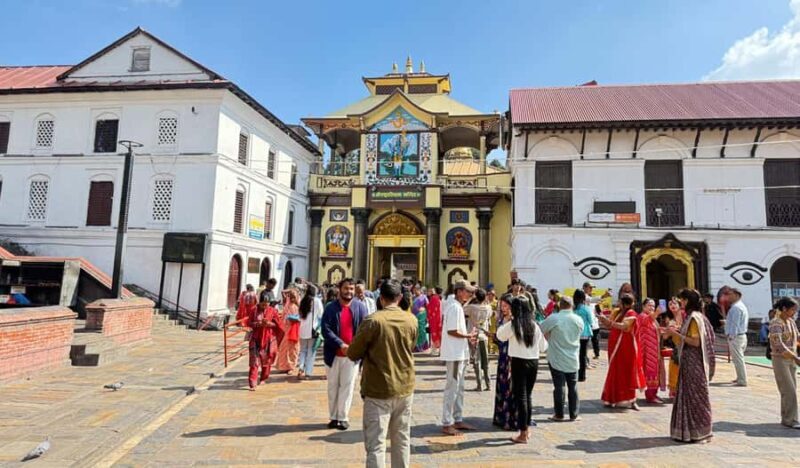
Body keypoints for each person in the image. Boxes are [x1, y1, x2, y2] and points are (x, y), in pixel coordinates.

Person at [347, 279, 418, 468]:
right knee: (402, 439)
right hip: (404, 386)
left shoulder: (373, 321)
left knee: (376, 444)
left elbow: (353, 353)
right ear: (400, 297)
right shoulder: (411, 319)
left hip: (378, 388)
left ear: (381, 299)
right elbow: (412, 346)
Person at [496, 296, 548, 444]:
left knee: (521, 397)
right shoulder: (534, 325)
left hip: (518, 362)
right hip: (533, 362)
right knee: (528, 396)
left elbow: (500, 335)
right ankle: (526, 429)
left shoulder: (513, 324)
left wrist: (507, 320)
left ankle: (523, 432)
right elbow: (544, 347)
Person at [667, 288, 716, 443]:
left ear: (687, 301)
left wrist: (676, 334)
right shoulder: (697, 317)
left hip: (693, 361)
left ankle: (697, 431)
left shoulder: (694, 318)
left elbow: (695, 342)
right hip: (690, 361)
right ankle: (691, 431)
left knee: (695, 396)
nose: (680, 302)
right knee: (689, 394)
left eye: (681, 299)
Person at [322, 278, 369, 430]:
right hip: (333, 354)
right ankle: (333, 416)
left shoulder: (360, 307)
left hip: (352, 355)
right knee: (333, 386)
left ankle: (343, 417)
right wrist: (340, 344)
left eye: (351, 289)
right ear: (339, 289)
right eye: (346, 288)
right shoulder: (330, 308)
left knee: (347, 387)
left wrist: (355, 347)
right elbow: (325, 329)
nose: (349, 292)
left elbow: (364, 329)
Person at [440, 280, 478, 436]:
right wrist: (468, 335)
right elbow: (452, 331)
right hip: (454, 353)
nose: (470, 295)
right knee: (452, 388)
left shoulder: (457, 306)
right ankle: (447, 421)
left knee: (459, 388)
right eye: (468, 292)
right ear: (460, 291)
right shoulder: (455, 307)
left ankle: (457, 417)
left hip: (459, 353)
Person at [540, 296, 583, 422]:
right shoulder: (578, 319)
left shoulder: (554, 318)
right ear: (572, 305)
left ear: (560, 305)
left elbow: (541, 329)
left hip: (556, 356)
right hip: (573, 356)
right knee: (573, 386)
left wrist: (550, 336)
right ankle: (574, 413)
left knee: (559, 386)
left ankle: (559, 414)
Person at [599, 294, 645, 409]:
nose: (618, 304)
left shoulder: (631, 314)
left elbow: (625, 327)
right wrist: (603, 320)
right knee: (615, 372)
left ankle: (632, 400)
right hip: (616, 347)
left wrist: (610, 323)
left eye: (620, 302)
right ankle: (611, 399)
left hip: (627, 348)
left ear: (625, 303)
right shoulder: (618, 312)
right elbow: (610, 326)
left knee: (628, 372)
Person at [767, 297, 800, 429]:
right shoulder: (776, 323)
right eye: (792, 309)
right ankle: (790, 419)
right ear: (784, 309)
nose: (794, 312)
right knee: (789, 390)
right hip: (780, 359)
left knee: (789, 390)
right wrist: (794, 357)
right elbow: (778, 344)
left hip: (791, 358)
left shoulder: (791, 321)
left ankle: (787, 417)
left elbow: (797, 337)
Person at [492, 294, 519, 430]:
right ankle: (501, 416)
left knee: (510, 386)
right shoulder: (502, 319)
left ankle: (511, 417)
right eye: (501, 306)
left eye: (505, 306)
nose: (503, 308)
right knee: (502, 386)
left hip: (512, 355)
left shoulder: (515, 321)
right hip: (503, 355)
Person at [243, 301, 279, 390]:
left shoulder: (273, 311)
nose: (264, 307)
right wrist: (258, 324)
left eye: (266, 305)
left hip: (268, 339)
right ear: (259, 302)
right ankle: (252, 383)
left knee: (266, 360)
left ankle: (264, 378)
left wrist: (269, 324)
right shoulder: (254, 310)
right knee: (254, 362)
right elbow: (249, 323)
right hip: (255, 338)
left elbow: (277, 324)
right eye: (263, 304)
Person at [637, 298, 666, 404]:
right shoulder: (642, 316)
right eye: (649, 305)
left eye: (653, 306)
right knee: (650, 372)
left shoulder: (653, 318)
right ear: (643, 306)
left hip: (655, 350)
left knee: (656, 371)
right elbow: (646, 321)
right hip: (647, 351)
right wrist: (657, 312)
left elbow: (654, 328)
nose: (652, 308)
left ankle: (654, 393)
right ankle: (650, 396)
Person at [465, 288, 492, 391]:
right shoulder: (488, 308)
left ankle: (479, 384)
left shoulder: (471, 307)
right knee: (486, 361)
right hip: (484, 336)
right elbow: (490, 315)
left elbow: (463, 308)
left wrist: (470, 298)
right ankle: (488, 383)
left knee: (476, 361)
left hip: (474, 336)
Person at [724, 287, 749, 386]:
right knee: (738, 359)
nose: (728, 296)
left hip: (736, 336)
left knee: (738, 359)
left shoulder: (736, 308)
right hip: (741, 335)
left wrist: (731, 336)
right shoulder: (740, 306)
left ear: (737, 295)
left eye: (731, 294)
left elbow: (735, 324)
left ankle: (742, 380)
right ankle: (740, 377)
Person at [297, 284, 321, 380]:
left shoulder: (303, 300)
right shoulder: (316, 301)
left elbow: (300, 314)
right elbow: (321, 314)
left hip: (302, 329)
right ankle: (308, 372)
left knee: (303, 350)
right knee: (311, 351)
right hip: (313, 330)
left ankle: (301, 368)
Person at [275, 288, 302, 373]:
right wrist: (290, 290)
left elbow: (301, 319)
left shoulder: (298, 307)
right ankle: (283, 366)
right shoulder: (287, 305)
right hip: (287, 330)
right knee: (284, 348)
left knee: (293, 349)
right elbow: (283, 291)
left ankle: (291, 367)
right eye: (291, 296)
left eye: (294, 297)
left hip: (294, 330)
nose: (292, 298)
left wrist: (294, 319)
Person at [572, 290, 593, 382]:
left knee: (575, 354)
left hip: (574, 334)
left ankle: (574, 373)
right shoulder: (586, 308)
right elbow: (591, 321)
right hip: (584, 334)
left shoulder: (573, 309)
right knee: (583, 355)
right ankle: (582, 376)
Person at [412, 286, 430, 352]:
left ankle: (423, 346)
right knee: (415, 330)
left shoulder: (424, 297)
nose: (415, 292)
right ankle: (416, 347)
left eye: (416, 290)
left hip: (422, 316)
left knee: (422, 330)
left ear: (419, 290)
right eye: (414, 290)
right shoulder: (413, 297)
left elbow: (428, 306)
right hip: (414, 316)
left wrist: (427, 316)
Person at [428, 287, 443, 356]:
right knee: (440, 334)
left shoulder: (434, 298)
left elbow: (430, 309)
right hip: (440, 319)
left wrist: (429, 317)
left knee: (434, 334)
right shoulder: (441, 298)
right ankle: (440, 351)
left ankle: (434, 350)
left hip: (434, 319)